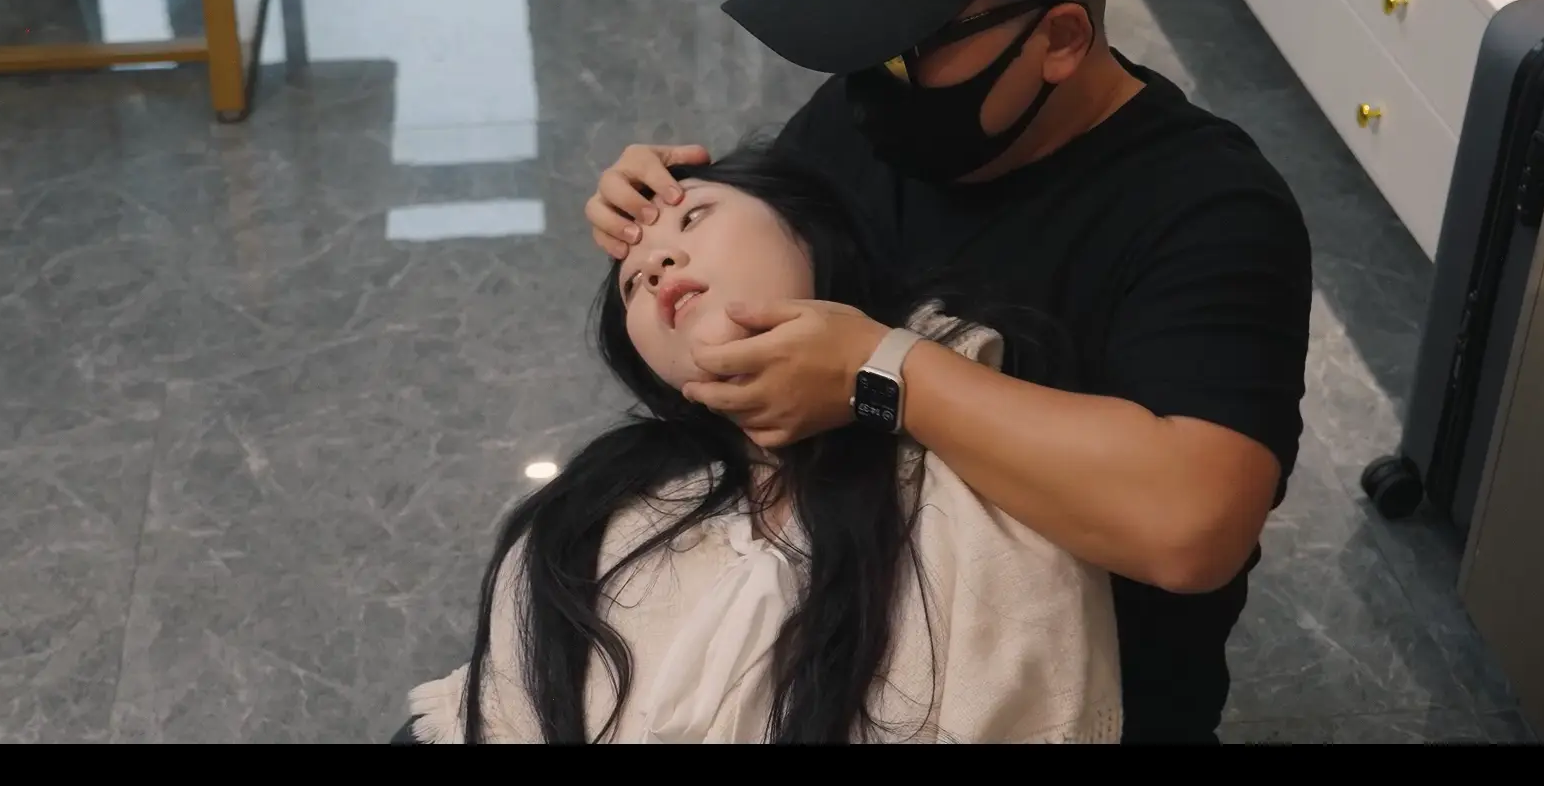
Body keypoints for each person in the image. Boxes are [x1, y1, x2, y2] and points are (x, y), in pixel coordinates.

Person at [582, 0, 1314, 743]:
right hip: (836, 624)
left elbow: (1193, 525)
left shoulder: (1210, 211)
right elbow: (774, 270)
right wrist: (666, 221)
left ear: (1061, 38)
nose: (868, 79)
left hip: (1064, 694)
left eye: (905, 48)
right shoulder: (871, 116)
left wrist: (884, 374)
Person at [400, 143, 1124, 744]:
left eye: (694, 218)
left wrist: (876, 372)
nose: (655, 265)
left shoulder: (967, 412)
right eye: (632, 283)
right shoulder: (600, 512)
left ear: (808, 230)